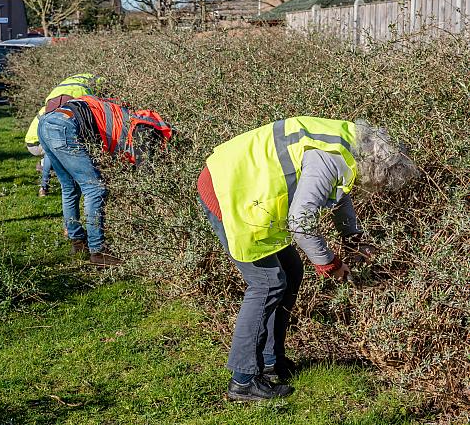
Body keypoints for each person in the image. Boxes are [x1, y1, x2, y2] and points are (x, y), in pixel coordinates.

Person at [197, 117, 418, 401]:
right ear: (376, 169)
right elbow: (300, 223)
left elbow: (339, 194)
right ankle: (243, 380)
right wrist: (330, 264)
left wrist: (353, 238)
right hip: (228, 191)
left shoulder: (347, 144)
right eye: (378, 183)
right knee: (267, 284)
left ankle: (270, 362)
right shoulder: (331, 159)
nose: (372, 187)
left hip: (243, 187)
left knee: (291, 269)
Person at [38, 95, 173, 266]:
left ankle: (78, 242)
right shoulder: (145, 129)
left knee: (70, 187)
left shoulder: (122, 116)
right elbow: (146, 175)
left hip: (47, 122)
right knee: (95, 189)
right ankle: (98, 250)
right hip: (65, 125)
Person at [25, 74, 100, 197]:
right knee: (52, 150)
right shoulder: (58, 112)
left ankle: (44, 168)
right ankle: (43, 186)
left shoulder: (51, 106)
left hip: (34, 140)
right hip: (34, 143)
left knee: (55, 149)